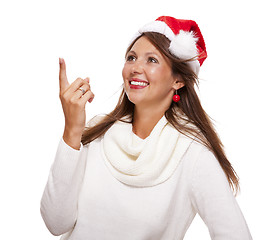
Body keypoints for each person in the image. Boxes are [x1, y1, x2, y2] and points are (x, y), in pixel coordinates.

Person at [40, 16, 252, 239]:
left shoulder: (192, 153)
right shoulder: (98, 132)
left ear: (178, 80)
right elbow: (56, 223)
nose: (136, 68)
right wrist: (72, 130)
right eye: (131, 58)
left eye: (152, 60)